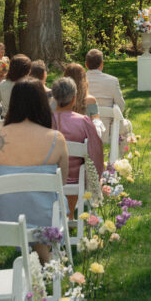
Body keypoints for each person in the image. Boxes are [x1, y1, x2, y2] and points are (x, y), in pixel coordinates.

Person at [0, 79, 69, 262]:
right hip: (45, 215)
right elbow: (61, 182)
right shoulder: (55, 138)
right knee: (51, 198)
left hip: (5, 217)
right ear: (41, 103)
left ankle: (38, 253)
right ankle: (44, 253)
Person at [50, 77, 103, 214]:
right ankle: (71, 214)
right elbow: (95, 153)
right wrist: (97, 178)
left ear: (54, 98)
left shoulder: (44, 120)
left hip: (49, 177)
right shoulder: (83, 121)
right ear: (74, 99)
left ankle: (61, 214)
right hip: (77, 180)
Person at [0, 54, 31, 120]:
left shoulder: (3, 85)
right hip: (26, 122)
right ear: (27, 71)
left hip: (7, 121)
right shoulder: (31, 86)